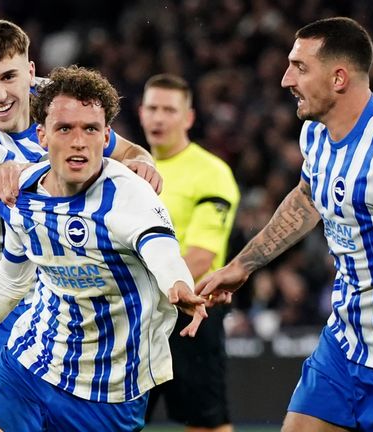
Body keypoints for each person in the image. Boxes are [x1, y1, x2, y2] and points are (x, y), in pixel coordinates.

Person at [0, 65, 207, 431]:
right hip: (30, 368)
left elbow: (162, 250)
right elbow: (9, 282)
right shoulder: (21, 196)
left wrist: (179, 285)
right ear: (42, 136)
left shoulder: (129, 196)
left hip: (108, 393)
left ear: (106, 136)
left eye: (91, 129)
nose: (78, 141)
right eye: (65, 128)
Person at [197, 17, 373, 432]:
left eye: (299, 67)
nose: (284, 79)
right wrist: (243, 266)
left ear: (338, 78)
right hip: (345, 345)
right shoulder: (314, 131)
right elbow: (308, 198)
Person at [0, 16, 161, 432]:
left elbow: (128, 150)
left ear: (31, 72)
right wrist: (0, 175)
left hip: (46, 311)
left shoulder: (57, 108)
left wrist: (143, 164)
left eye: (8, 77)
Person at [138, 74, 239, 432]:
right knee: (116, 422)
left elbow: (199, 257)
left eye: (169, 109)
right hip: (135, 320)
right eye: (152, 108)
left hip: (190, 317)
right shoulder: (126, 171)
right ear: (140, 112)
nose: (159, 118)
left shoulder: (212, 173)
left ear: (189, 118)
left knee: (206, 424)